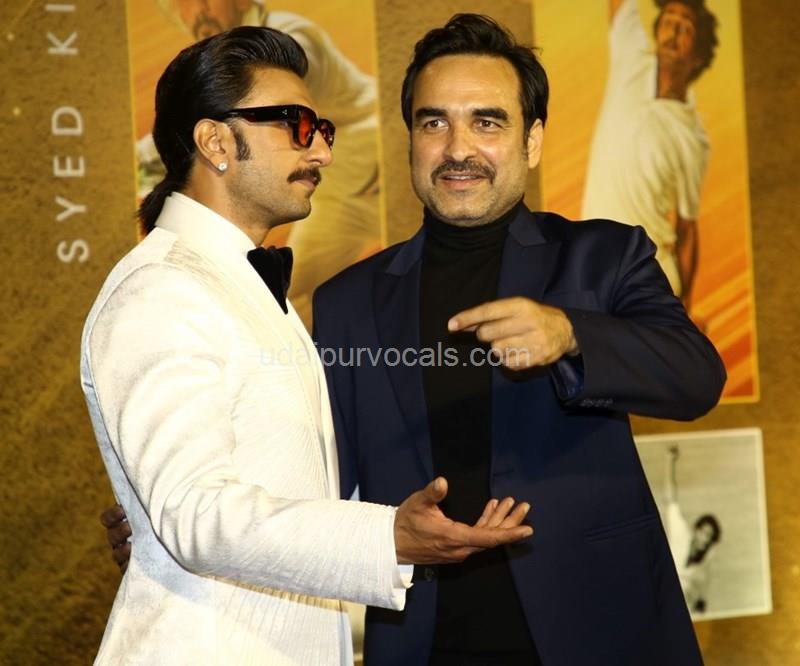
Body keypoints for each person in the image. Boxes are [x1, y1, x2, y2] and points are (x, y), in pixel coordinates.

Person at [105, 14, 726, 665]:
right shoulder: (348, 302)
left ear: (533, 140)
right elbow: (317, 467)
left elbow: (696, 377)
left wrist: (570, 334)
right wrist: (172, 521)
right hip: (425, 640)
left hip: (601, 631)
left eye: (487, 122)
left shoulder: (602, 257)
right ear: (410, 141)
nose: (458, 148)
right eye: (434, 123)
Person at [83, 26, 533, 665]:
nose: (320, 152)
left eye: (321, 129)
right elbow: (195, 512)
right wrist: (386, 538)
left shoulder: (243, 284)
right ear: (215, 142)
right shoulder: (162, 289)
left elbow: (275, 485)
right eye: (296, 126)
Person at [137, 0, 383, 328]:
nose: (324, 153)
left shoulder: (290, 40)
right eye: (180, 8)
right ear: (212, 142)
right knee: (298, 302)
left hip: (389, 174)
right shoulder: (161, 297)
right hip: (342, 201)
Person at [581, 0, 719, 310]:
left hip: (649, 277)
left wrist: (685, 308)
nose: (673, 31)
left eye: (685, 28)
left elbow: (687, 229)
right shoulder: (631, 57)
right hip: (595, 265)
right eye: (668, 21)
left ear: (697, 56)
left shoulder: (693, 137)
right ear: (656, 32)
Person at [664, 445, 722, 613]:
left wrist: (700, 602)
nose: (706, 538)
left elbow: (702, 587)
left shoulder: (705, 562)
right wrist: (670, 462)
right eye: (704, 532)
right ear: (696, 530)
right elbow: (671, 498)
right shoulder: (681, 533)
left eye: (710, 536)